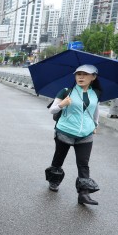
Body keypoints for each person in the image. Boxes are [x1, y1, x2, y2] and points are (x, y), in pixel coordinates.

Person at [44, 64, 101, 205]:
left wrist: (95, 124)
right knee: (59, 159)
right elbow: (52, 110)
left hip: (86, 134)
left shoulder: (96, 94)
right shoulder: (66, 91)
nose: (80, 77)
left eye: (85, 74)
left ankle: (83, 194)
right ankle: (54, 181)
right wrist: (62, 104)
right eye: (78, 74)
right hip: (65, 131)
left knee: (83, 164)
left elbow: (95, 111)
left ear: (93, 77)